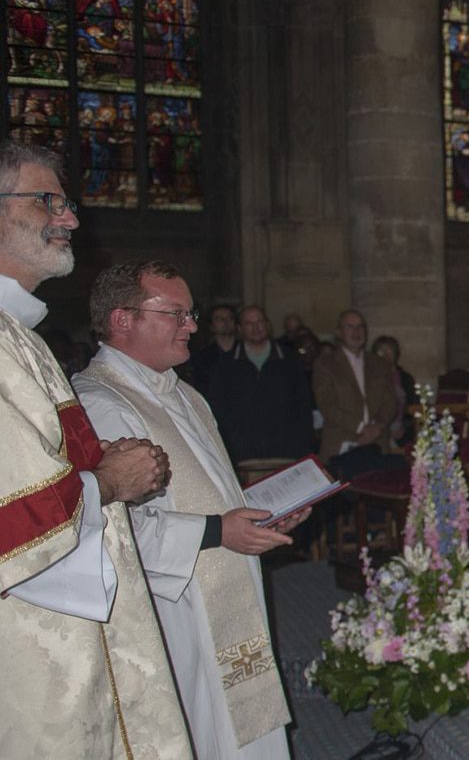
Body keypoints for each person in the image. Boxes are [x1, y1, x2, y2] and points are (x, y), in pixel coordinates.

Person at [0, 141, 191, 757]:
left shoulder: (19, 335)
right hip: (29, 642)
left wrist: (95, 462)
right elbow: (12, 519)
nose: (71, 218)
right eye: (47, 200)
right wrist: (108, 481)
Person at [75, 260, 301, 759]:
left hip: (226, 584)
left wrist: (259, 513)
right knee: (201, 731)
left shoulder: (185, 393)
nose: (193, 326)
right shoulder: (97, 403)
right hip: (174, 609)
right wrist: (220, 532)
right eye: (177, 314)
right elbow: (109, 530)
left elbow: (215, 492)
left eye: (191, 313)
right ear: (122, 320)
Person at [206, 305, 315, 464]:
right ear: (240, 328)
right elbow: (219, 409)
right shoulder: (226, 365)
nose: (255, 327)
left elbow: (303, 406)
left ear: (268, 325)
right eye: (249, 323)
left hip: (287, 454)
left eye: (260, 322)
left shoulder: (290, 361)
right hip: (243, 457)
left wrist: (305, 449)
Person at [312, 309, 399, 477]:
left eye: (360, 327)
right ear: (339, 332)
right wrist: (361, 428)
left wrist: (376, 427)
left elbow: (390, 403)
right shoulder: (325, 364)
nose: (356, 332)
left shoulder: (379, 363)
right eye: (350, 327)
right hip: (341, 444)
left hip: (377, 443)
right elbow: (327, 405)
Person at [371, 334, 417, 445]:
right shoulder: (370, 378)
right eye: (381, 350)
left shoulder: (405, 379)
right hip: (377, 429)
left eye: (389, 350)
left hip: (401, 429)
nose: (386, 354)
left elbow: (414, 405)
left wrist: (403, 427)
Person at [190, 302, 237, 394]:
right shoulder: (201, 358)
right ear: (211, 326)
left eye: (229, 318)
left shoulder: (247, 352)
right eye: (219, 319)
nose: (225, 321)